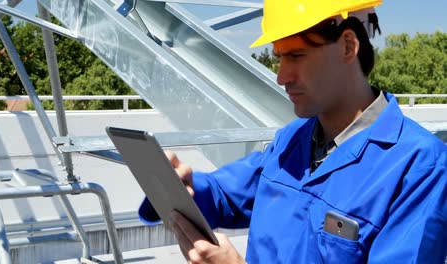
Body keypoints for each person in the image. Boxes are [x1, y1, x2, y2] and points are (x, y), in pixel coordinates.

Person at [139, 0, 447, 263]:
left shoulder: (418, 167)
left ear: (348, 46)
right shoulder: (292, 140)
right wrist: (182, 185)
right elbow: (227, 195)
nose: (281, 77)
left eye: (296, 56)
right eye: (279, 58)